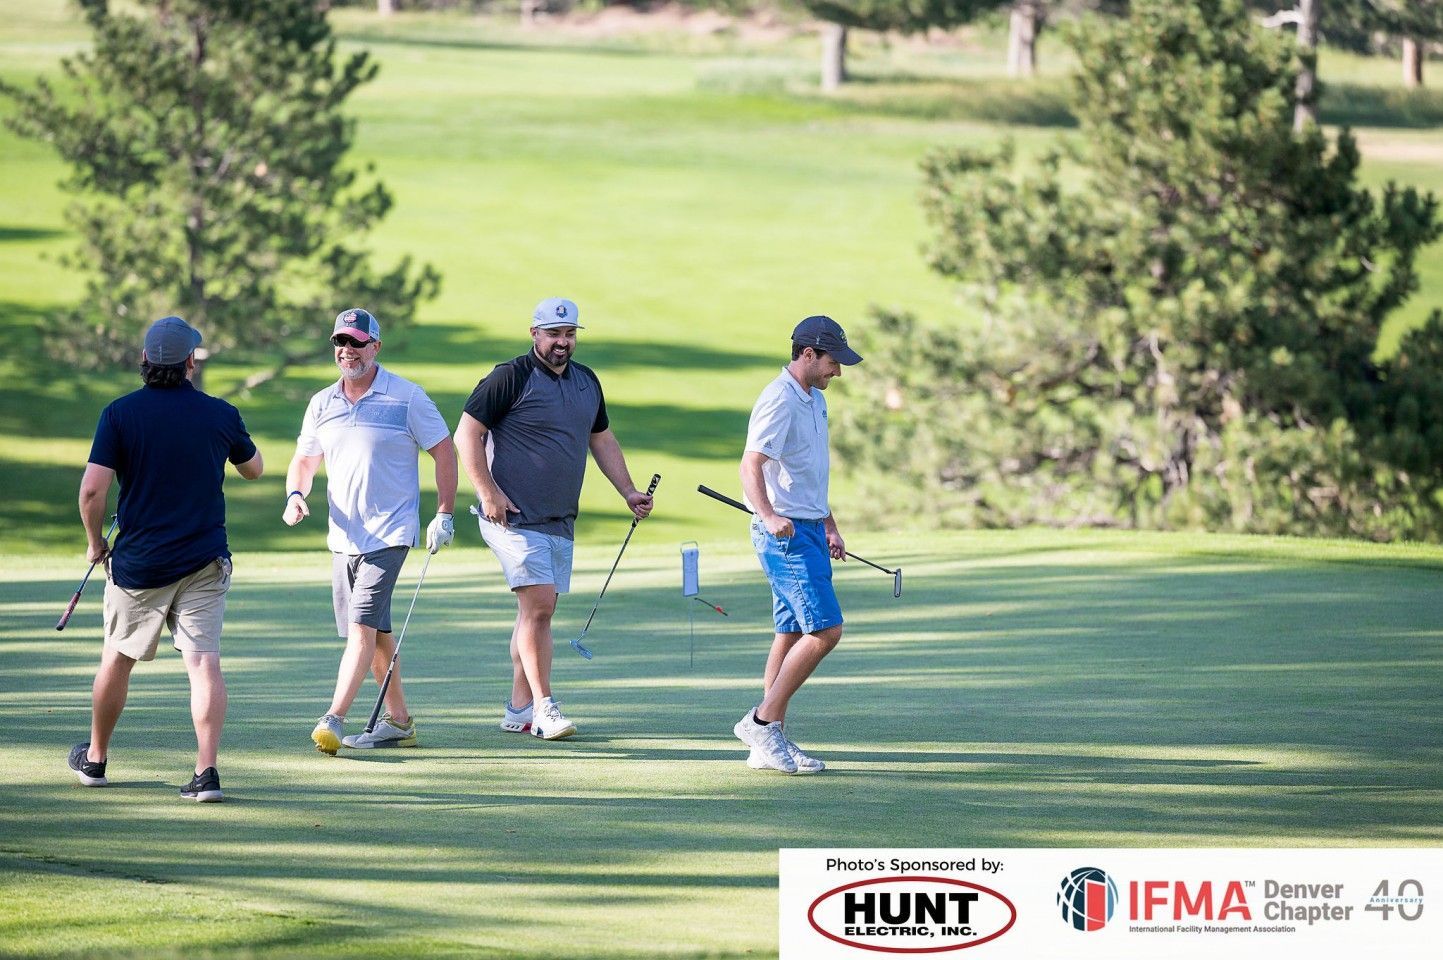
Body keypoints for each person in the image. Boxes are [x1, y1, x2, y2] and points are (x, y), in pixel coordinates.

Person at [69, 315, 265, 801]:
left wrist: (95, 544)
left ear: (144, 361)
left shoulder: (119, 414)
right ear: (190, 364)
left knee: (116, 660)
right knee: (203, 666)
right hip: (204, 560)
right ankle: (206, 773)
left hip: (139, 565)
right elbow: (254, 470)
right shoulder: (221, 413)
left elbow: (93, 490)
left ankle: (95, 760)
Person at [454, 297, 653, 740]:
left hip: (560, 518)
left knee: (534, 613)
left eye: (569, 334)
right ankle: (545, 708)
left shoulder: (586, 381)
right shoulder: (510, 376)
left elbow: (601, 440)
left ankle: (517, 708)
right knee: (540, 606)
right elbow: (467, 433)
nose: (562, 342)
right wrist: (488, 492)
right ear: (534, 334)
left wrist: (628, 491)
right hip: (512, 517)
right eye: (553, 333)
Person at [283, 308, 457, 754]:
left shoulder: (407, 397)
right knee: (375, 631)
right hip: (343, 537)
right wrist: (296, 494)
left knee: (361, 626)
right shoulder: (322, 403)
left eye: (357, 343)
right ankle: (399, 722)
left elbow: (444, 451)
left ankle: (334, 718)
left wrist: (443, 513)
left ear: (375, 346)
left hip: (390, 533)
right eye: (341, 342)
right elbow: (305, 459)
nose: (347, 351)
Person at [732, 315, 862, 775]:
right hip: (784, 533)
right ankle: (762, 722)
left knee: (790, 632)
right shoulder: (779, 400)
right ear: (808, 354)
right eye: (832, 362)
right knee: (826, 630)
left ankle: (768, 742)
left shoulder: (813, 399)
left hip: (808, 528)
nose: (838, 372)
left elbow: (809, 471)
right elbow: (751, 465)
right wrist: (769, 516)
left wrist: (829, 524)